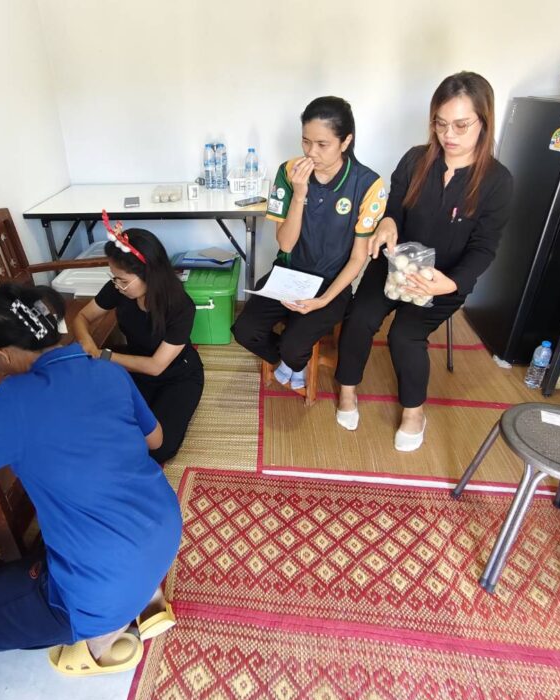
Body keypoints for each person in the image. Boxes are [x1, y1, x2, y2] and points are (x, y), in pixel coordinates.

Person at [0, 282, 182, 676]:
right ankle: (146, 596)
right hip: (162, 529)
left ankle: (101, 640)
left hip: (102, 585)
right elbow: (155, 439)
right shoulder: (107, 370)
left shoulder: (7, 404)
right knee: (85, 534)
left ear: (1, 354)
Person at [334, 71, 513, 451]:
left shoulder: (498, 181)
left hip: (443, 278)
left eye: (461, 125)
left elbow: (484, 248)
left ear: (484, 122)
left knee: (405, 335)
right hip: (396, 262)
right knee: (360, 316)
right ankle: (347, 389)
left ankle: (414, 413)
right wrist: (387, 224)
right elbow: (394, 209)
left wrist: (451, 283)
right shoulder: (416, 159)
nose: (449, 135)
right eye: (440, 123)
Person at [231, 96, 385, 389]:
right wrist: (299, 194)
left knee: (294, 346)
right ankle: (289, 360)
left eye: (322, 144)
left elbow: (358, 258)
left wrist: (324, 300)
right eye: (305, 141)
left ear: (346, 141)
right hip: (288, 274)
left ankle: (293, 359)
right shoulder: (289, 172)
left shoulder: (368, 184)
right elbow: (286, 245)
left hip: (332, 283)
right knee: (244, 331)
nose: (311, 152)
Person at [72, 217, 203, 464]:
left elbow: (156, 366)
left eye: (123, 280)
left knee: (159, 449)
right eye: (114, 277)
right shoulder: (118, 288)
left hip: (177, 375)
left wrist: (103, 355)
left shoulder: (180, 306)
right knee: (107, 428)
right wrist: (87, 342)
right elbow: (82, 317)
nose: (117, 285)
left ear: (149, 274)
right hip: (134, 368)